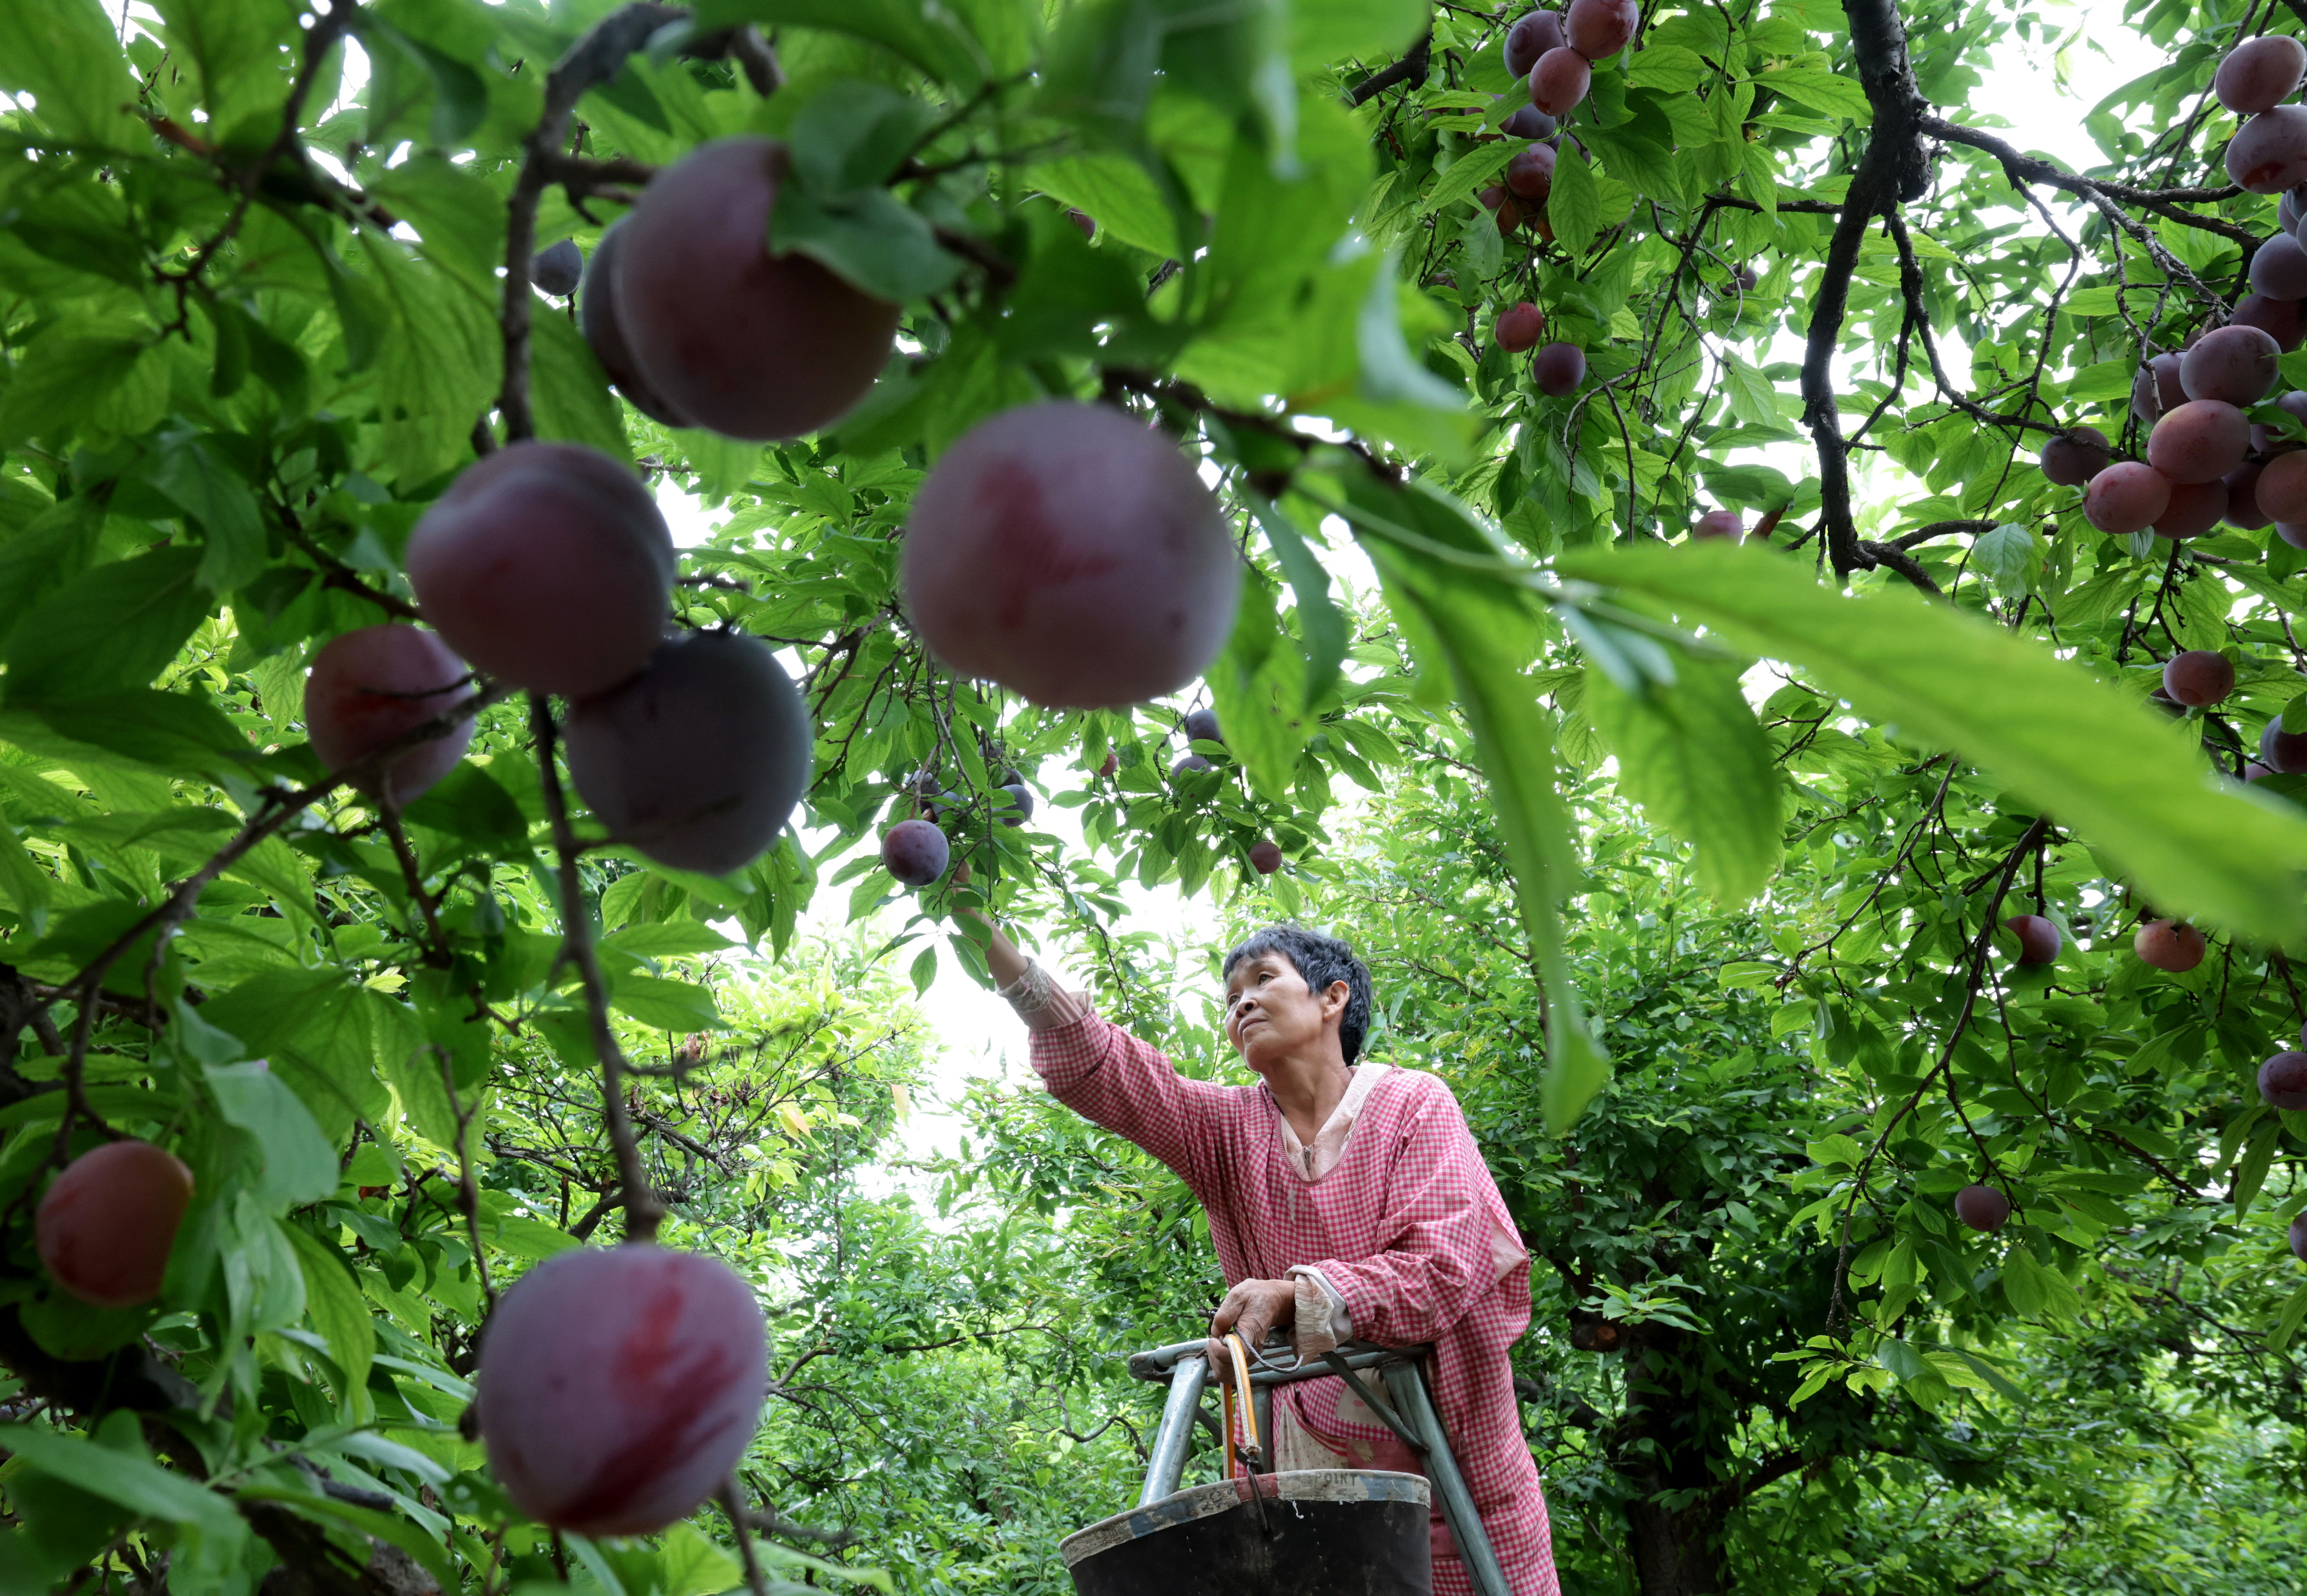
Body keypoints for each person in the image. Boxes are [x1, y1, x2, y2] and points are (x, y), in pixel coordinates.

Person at [966, 909, 1560, 1596]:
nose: (1241, 1001)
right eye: (1229, 998)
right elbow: (1111, 1071)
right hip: (1322, 1477)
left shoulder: (1413, 1104)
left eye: (1262, 979)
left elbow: (1446, 1263)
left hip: (1457, 1468)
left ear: (1331, 996)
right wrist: (979, 929)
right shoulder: (1226, 1131)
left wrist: (1295, 1296)